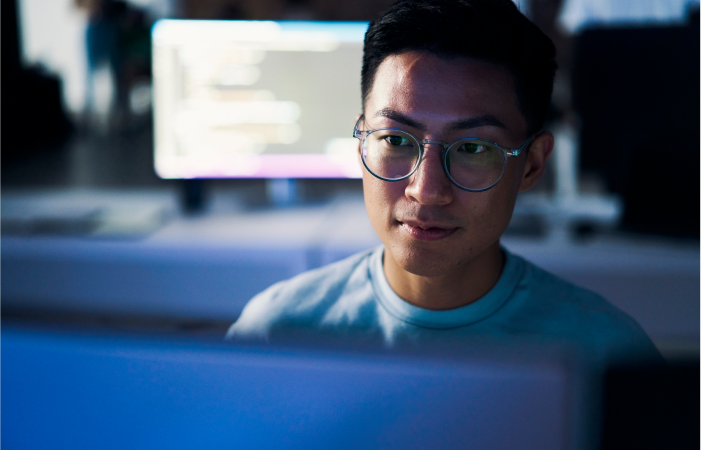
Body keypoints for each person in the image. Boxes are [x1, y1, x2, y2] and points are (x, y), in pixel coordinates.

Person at [227, 0, 661, 363]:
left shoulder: (607, 357)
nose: (426, 189)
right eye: (396, 139)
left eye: (473, 148)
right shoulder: (276, 335)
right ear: (361, 143)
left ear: (531, 165)